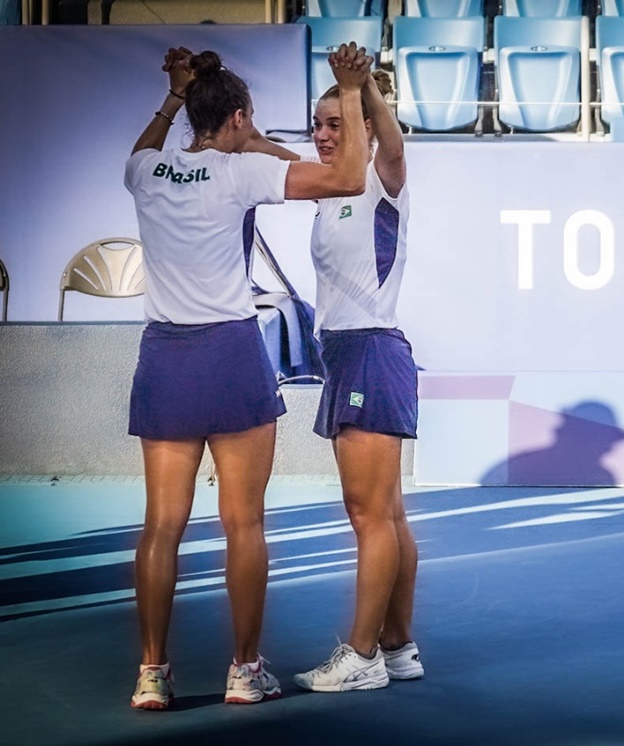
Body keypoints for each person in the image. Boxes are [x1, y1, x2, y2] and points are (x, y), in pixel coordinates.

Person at [124, 42, 374, 710]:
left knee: (161, 527)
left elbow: (145, 145)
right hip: (232, 355)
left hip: (166, 359)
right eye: (249, 118)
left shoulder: (146, 168)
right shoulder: (242, 173)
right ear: (236, 118)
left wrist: (178, 91)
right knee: (245, 526)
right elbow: (348, 178)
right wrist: (349, 91)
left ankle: (151, 675)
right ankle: (244, 671)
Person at [246, 67, 422, 692]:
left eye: (336, 126)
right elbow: (269, 155)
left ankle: (363, 654)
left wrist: (362, 88)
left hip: (371, 352)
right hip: (349, 354)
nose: (322, 136)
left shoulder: (381, 178)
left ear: (366, 131)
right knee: (389, 513)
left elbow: (393, 144)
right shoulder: (331, 187)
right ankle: (399, 647)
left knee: (368, 514)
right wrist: (228, 121)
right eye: (318, 125)